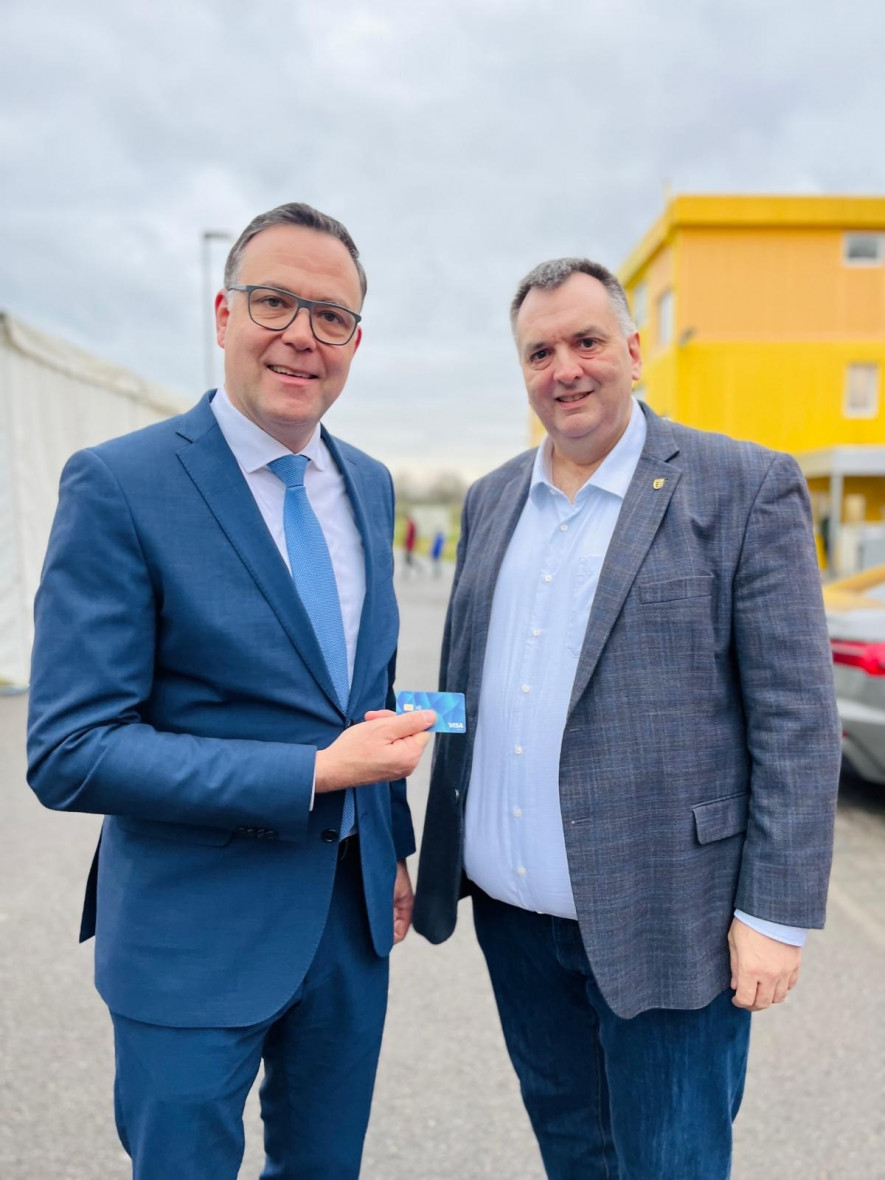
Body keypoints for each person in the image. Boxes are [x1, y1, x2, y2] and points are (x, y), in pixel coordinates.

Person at [27, 202, 436, 1180]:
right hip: (191, 938)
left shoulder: (369, 484)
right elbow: (70, 750)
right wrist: (312, 772)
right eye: (273, 302)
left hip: (346, 926)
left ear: (355, 342)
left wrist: (391, 844)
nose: (301, 334)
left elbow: (365, 690)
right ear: (223, 314)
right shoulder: (120, 484)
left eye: (331, 316)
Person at [413, 258, 841, 1179]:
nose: (563, 368)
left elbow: (796, 721)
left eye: (586, 341)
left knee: (669, 1163)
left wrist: (775, 913)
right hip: (514, 925)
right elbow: (461, 688)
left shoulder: (741, 486)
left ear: (634, 351)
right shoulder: (491, 499)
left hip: (669, 921)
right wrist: (421, 842)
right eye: (539, 353)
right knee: (573, 1153)